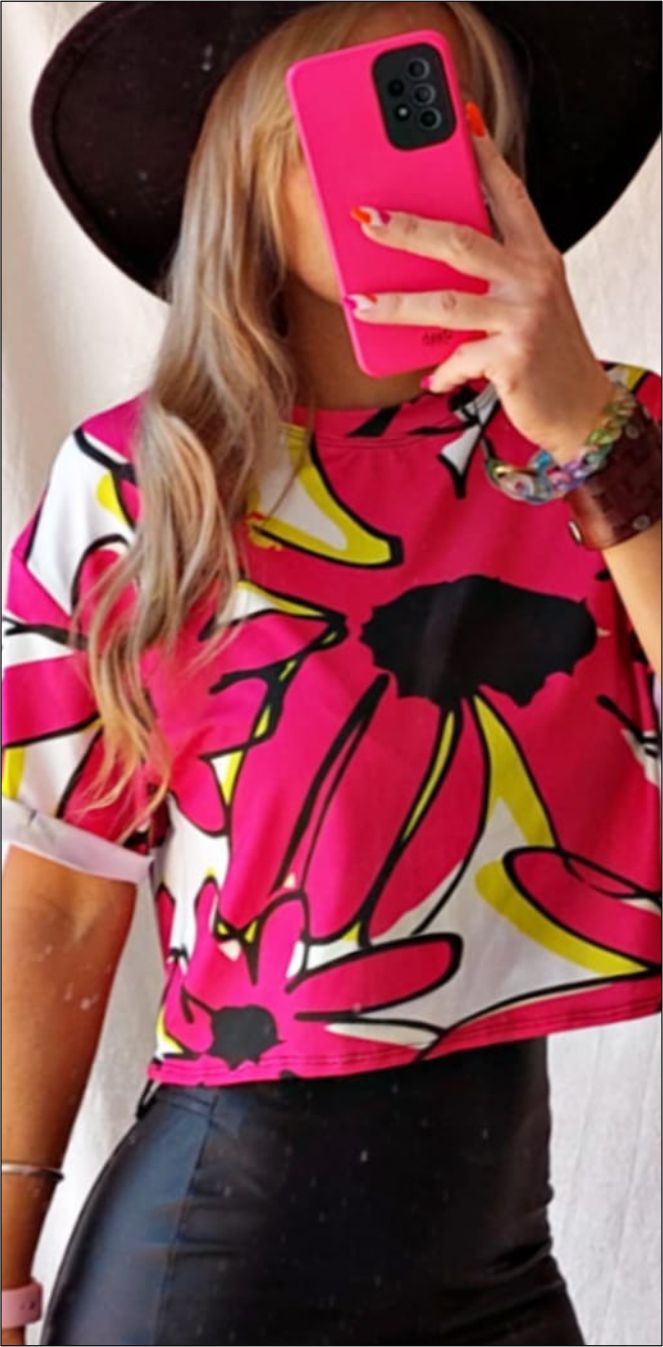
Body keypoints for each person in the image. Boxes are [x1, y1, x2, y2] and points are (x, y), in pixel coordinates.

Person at [2, 3, 661, 1344]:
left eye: (454, 118)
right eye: (362, 119)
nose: (421, 169)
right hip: (212, 1260)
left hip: (499, 1264)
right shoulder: (139, 486)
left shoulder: (623, 449)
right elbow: (62, 903)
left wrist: (583, 432)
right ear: (246, 160)